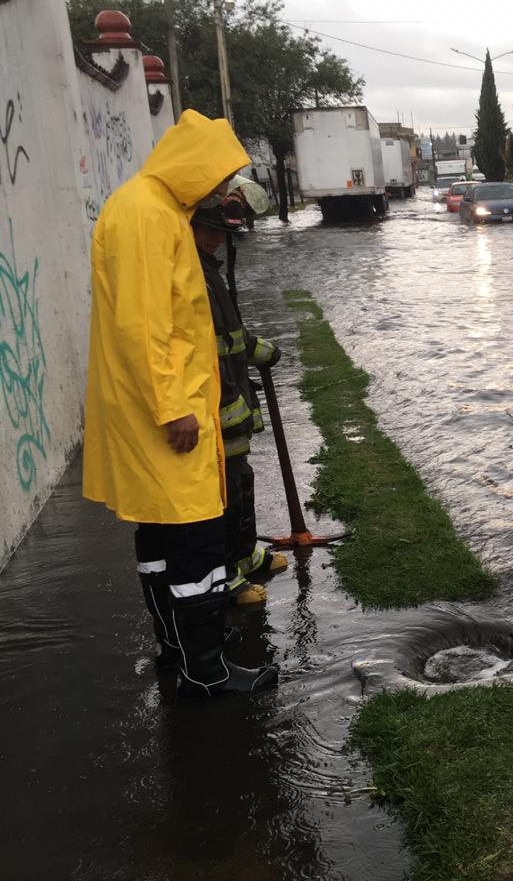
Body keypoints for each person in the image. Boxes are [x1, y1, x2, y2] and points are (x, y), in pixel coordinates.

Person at [83, 109, 279, 700]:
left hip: (165, 408)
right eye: (218, 178)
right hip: (169, 415)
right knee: (194, 542)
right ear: (194, 166)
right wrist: (173, 407)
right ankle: (206, 670)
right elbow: (145, 326)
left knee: (162, 541)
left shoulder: (153, 208)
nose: (222, 193)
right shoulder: (147, 215)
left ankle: (177, 651)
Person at [189, 193, 288, 606]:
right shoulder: (190, 274)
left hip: (232, 399)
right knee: (224, 494)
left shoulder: (208, 270)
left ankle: (246, 556)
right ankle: (228, 577)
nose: (217, 238)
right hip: (216, 406)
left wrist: (257, 349)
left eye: (222, 232)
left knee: (241, 483)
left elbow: (228, 335)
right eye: (211, 230)